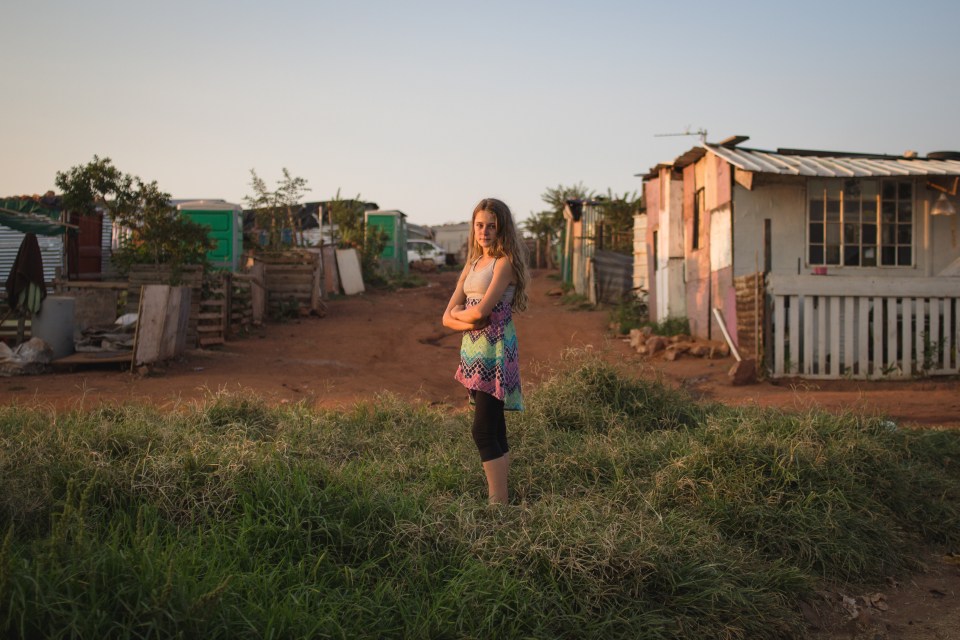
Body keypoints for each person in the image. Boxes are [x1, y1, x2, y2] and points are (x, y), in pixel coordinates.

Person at [442, 198, 529, 505]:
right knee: (494, 428)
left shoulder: (503, 264)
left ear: (502, 228)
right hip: (473, 350)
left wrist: (463, 314)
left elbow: (483, 312)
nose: (484, 231)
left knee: (481, 431)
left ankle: (498, 505)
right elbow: (447, 315)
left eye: (492, 226)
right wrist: (467, 316)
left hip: (496, 350)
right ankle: (503, 501)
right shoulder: (472, 263)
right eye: (480, 225)